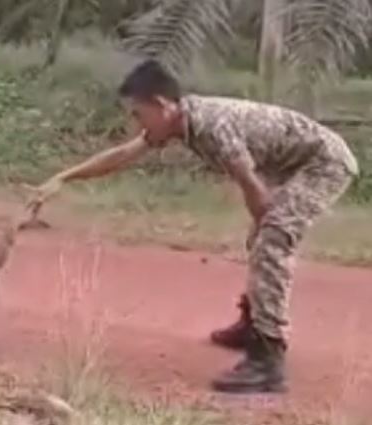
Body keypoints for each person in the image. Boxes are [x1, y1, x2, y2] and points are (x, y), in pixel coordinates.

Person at [25, 59, 359, 394]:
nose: (135, 122)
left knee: (272, 238)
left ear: (161, 105)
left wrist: (269, 234)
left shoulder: (211, 126)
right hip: (294, 162)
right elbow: (122, 156)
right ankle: (252, 323)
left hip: (324, 163)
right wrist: (62, 178)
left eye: (138, 114)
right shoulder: (182, 121)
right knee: (262, 236)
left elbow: (254, 191)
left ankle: (267, 357)